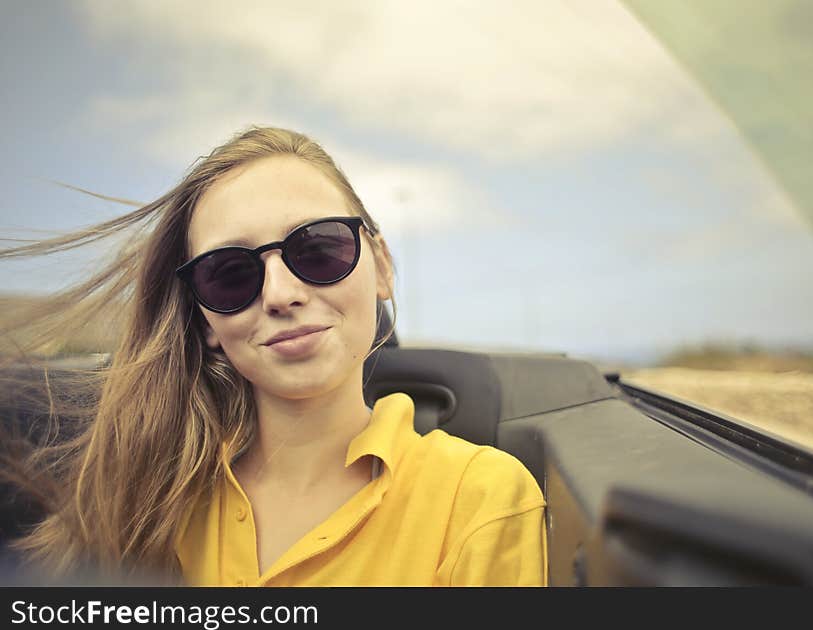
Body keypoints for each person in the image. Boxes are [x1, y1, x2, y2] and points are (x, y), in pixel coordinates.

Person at [0, 126, 547, 586]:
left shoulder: (483, 499)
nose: (280, 293)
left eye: (319, 248)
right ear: (206, 322)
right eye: (231, 274)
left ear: (380, 266)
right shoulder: (148, 496)